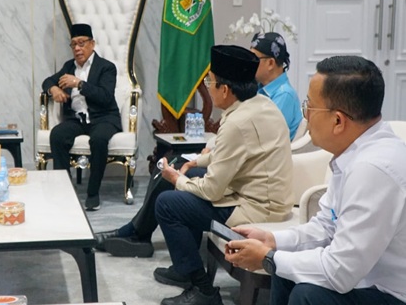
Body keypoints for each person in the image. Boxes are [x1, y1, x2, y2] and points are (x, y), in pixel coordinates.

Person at [225, 56, 406, 305]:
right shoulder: (354, 153)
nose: (305, 116)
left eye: (309, 106)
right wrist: (273, 241)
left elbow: (340, 272)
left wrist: (268, 259)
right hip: (370, 283)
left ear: (338, 120)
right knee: (287, 270)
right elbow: (326, 226)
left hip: (396, 301)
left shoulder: (373, 169)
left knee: (309, 301)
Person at [96, 39, 301, 257]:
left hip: (258, 207)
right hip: (249, 191)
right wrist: (195, 162)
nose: (208, 88)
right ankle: (137, 233)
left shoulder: (239, 121)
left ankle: (190, 273)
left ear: (225, 90)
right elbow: (236, 152)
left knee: (168, 200)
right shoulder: (257, 103)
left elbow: (212, 190)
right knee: (179, 165)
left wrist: (177, 179)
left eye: (210, 82)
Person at [42, 23, 121, 211]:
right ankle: (65, 190)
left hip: (103, 118)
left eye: (81, 43)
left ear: (92, 44)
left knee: (99, 139)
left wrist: (79, 84)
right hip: (77, 119)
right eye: (73, 45)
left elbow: (105, 97)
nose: (77, 48)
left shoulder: (106, 67)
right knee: (57, 135)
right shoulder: (68, 67)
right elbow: (47, 81)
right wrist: (53, 89)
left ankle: (93, 194)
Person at [250, 32, 302, 140]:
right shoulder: (259, 88)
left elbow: (264, 135)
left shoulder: (284, 95)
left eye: (254, 59)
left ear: (270, 63)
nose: (249, 64)